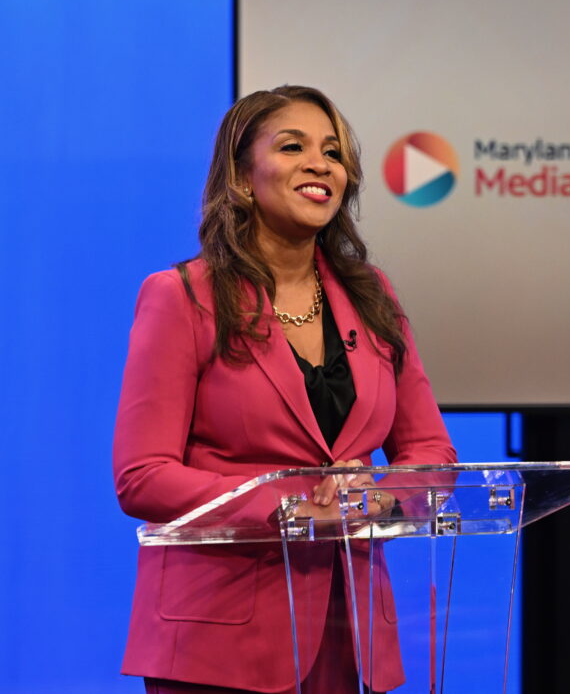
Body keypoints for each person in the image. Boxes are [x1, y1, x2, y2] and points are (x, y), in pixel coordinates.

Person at [113, 85, 457, 693]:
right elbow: (143, 475)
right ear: (243, 178)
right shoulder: (183, 298)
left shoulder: (373, 297)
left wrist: (380, 496)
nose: (320, 163)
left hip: (349, 633)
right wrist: (290, 506)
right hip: (218, 638)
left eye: (332, 151)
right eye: (293, 146)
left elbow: (432, 454)